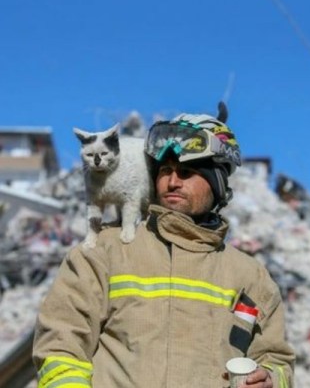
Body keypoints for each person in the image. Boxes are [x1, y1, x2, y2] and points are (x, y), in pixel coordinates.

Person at [33, 111, 295, 387]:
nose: (172, 182)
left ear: (217, 182)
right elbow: (61, 347)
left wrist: (271, 380)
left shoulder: (250, 277)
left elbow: (276, 359)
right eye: (165, 171)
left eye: (186, 172)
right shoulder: (104, 253)